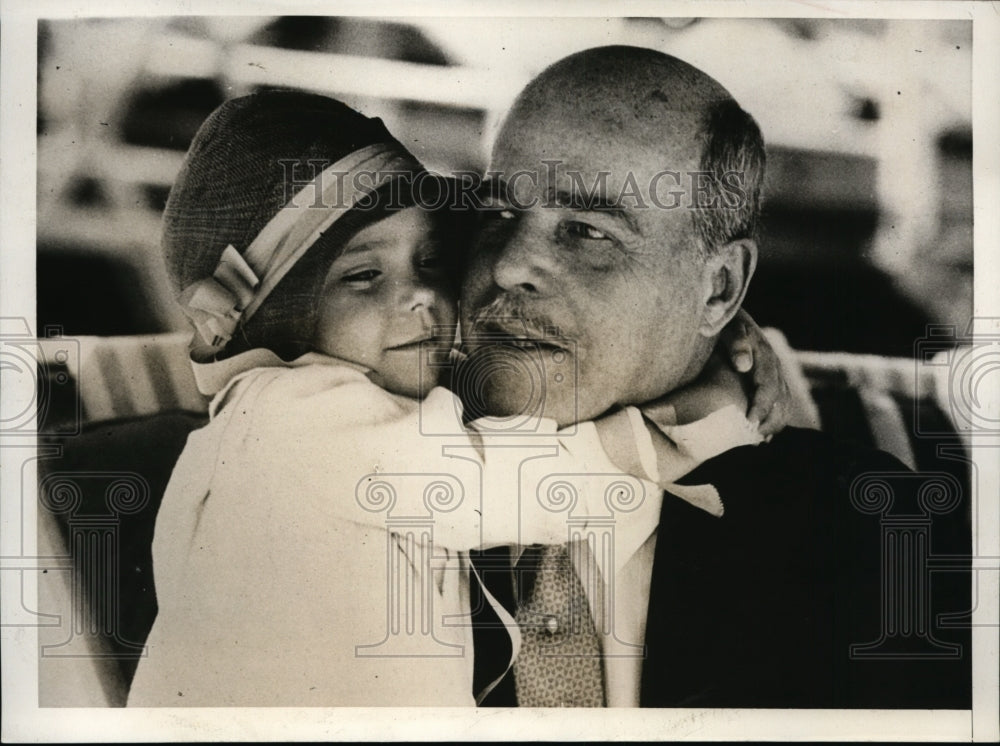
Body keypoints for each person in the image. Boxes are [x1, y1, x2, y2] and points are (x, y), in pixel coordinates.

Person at [125, 91, 782, 707]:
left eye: (431, 262)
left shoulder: (375, 406)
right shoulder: (289, 416)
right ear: (279, 315)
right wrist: (681, 419)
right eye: (362, 277)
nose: (418, 297)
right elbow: (498, 483)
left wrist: (692, 327)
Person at [463, 46, 971, 708]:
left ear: (718, 289)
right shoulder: (351, 446)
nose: (509, 266)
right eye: (498, 213)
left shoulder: (866, 538)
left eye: (587, 232)